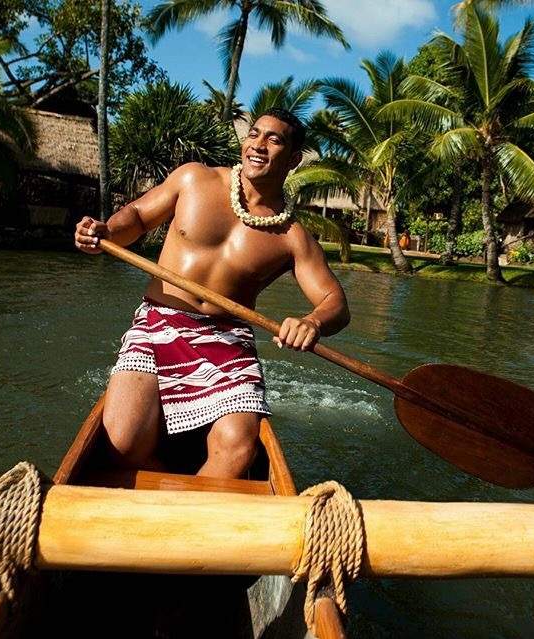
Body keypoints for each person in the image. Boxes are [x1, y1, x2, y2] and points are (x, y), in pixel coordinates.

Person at [74, 108, 350, 479]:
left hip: (228, 341)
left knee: (238, 450)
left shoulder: (292, 236)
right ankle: (181, 493)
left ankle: (188, 505)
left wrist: (312, 322)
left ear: (293, 159)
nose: (258, 145)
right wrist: (107, 232)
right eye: (254, 134)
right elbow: (136, 217)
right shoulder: (194, 179)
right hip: (159, 322)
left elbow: (336, 303)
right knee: (122, 444)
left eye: (274, 140)